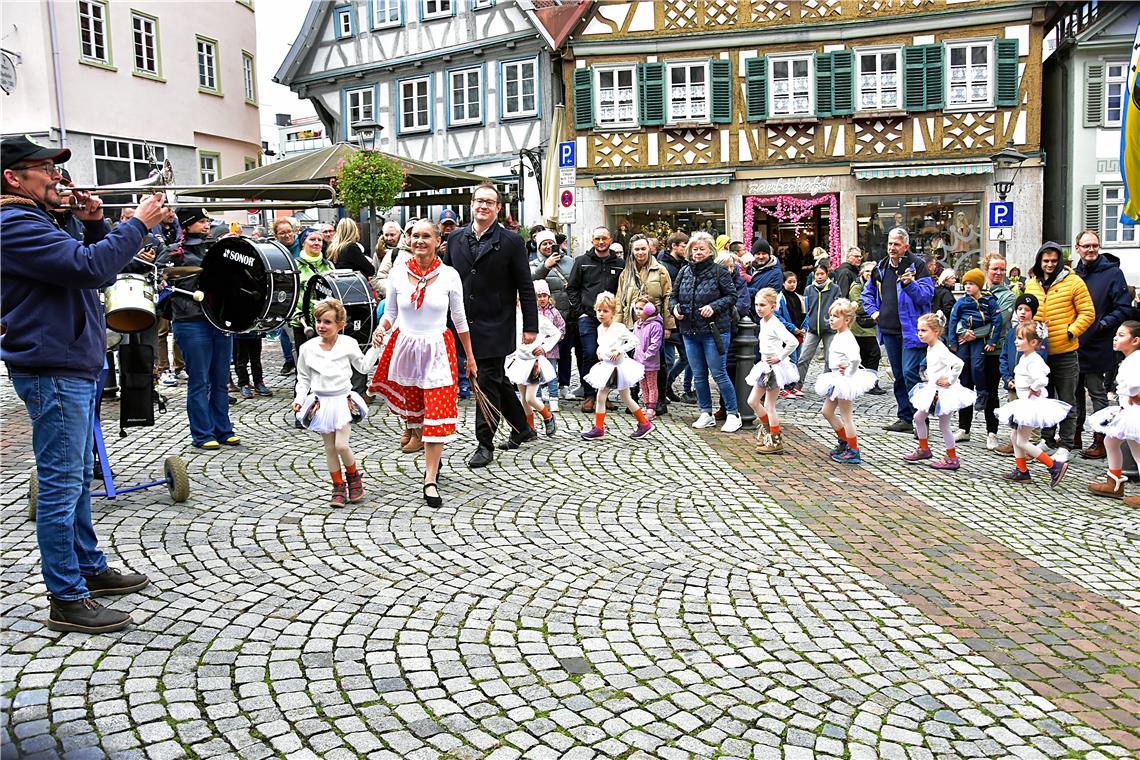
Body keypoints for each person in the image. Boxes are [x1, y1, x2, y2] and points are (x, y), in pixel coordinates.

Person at [1, 135, 163, 633]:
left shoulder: (38, 219)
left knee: (73, 480)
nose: (57, 177)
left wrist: (93, 223)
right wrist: (135, 223)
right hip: (53, 367)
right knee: (61, 484)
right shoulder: (12, 224)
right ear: (13, 177)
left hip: (69, 361)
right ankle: (66, 597)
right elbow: (88, 267)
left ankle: (89, 569)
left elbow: (88, 272)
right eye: (46, 169)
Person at [370, 220, 477, 506]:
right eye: (414, 235)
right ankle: (426, 451)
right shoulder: (397, 274)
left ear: (438, 240)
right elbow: (391, 312)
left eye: (426, 236)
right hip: (407, 349)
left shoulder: (449, 275)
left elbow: (459, 319)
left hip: (438, 350)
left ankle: (429, 479)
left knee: (436, 418)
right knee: (417, 414)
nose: (419, 241)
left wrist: (470, 356)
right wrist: (382, 327)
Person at [447, 183, 538, 467]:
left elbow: (525, 285)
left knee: (485, 383)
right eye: (479, 201)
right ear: (471, 205)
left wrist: (531, 326)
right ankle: (523, 428)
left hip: (496, 323)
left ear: (498, 208)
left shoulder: (511, 241)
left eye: (490, 202)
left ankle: (484, 443)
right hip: (463, 322)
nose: (483, 206)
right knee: (496, 380)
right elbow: (447, 279)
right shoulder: (455, 239)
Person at [160, 208, 240, 450]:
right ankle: (202, 434)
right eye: (201, 222)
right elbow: (159, 280)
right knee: (200, 381)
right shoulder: (174, 253)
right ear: (187, 225)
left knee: (219, 380)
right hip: (191, 321)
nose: (207, 226)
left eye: (207, 221)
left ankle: (223, 429)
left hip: (218, 320)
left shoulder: (217, 249)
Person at [293, 299, 378, 506]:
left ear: (340, 325)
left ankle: (354, 476)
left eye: (327, 322)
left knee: (341, 445)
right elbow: (303, 378)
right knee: (330, 448)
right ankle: (338, 486)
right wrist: (299, 398)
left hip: (342, 401)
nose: (321, 326)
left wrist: (376, 347)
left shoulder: (348, 344)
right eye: (318, 321)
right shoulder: (307, 348)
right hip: (321, 402)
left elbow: (364, 366)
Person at [1023, 241, 1095, 461]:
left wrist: (1071, 331)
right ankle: (1047, 437)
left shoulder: (1074, 282)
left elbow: (1088, 313)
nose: (1050, 264)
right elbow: (1028, 311)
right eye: (1046, 261)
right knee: (1044, 397)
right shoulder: (1032, 283)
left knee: (1066, 399)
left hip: (1064, 351)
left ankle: (1066, 442)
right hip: (1041, 352)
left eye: (1054, 261)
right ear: (1039, 261)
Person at [861, 227, 934, 433]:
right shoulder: (881, 267)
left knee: (910, 372)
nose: (892, 248)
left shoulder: (917, 266)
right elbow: (867, 294)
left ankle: (921, 420)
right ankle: (905, 417)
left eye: (897, 244)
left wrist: (910, 284)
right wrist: (874, 312)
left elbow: (926, 296)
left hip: (912, 330)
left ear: (906, 247)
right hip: (889, 330)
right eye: (890, 244)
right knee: (899, 375)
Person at [672, 231, 742, 432]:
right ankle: (705, 412)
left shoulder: (719, 272)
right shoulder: (684, 272)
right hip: (690, 331)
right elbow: (673, 296)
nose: (698, 252)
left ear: (710, 250)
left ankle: (732, 413)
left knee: (718, 372)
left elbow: (731, 296)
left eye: (702, 249)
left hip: (714, 330)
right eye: (695, 249)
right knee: (699, 375)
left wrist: (714, 306)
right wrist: (674, 308)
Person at [1074, 230, 1132, 460]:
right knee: (1073, 391)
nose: (1091, 250)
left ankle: (1100, 439)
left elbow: (1124, 307)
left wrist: (1104, 323)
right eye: (1086, 246)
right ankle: (1074, 434)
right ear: (1078, 248)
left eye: (1094, 246)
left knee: (1096, 392)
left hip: (1098, 341)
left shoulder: (1113, 273)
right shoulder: (1073, 273)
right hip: (1075, 339)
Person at [996, 322, 1072, 487]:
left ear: (1033, 343)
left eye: (1020, 338)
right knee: (1014, 436)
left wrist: (1034, 387)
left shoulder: (1034, 360)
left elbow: (1043, 378)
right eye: (1016, 338)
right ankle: (1022, 470)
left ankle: (1054, 465)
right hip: (1024, 403)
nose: (1016, 341)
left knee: (1022, 441)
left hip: (1031, 406)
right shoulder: (1025, 357)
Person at [905, 313, 977, 471]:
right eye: (919, 330)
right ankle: (924, 449)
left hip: (942, 392)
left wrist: (949, 380)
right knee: (918, 417)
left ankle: (952, 458)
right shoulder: (931, 347)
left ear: (936, 331)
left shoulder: (939, 349)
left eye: (924, 330)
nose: (920, 334)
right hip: (933, 389)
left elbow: (958, 363)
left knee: (943, 425)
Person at [566, 226, 625, 413]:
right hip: (588, 317)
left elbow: (624, 290)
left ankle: (604, 394)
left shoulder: (619, 263)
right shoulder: (582, 261)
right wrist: (581, 310)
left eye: (604, 239)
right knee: (590, 353)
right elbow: (572, 288)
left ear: (610, 240)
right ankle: (589, 395)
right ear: (592, 240)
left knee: (609, 356)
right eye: (597, 238)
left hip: (611, 319)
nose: (601, 242)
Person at [616, 234, 675, 415]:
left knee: (658, 363)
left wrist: (667, 325)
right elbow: (620, 300)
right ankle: (633, 399)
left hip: (653, 325)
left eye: (643, 248)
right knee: (633, 361)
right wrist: (618, 325)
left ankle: (658, 401)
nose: (640, 252)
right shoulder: (626, 273)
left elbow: (667, 298)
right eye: (637, 249)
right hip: (632, 324)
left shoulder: (661, 270)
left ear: (649, 249)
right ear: (632, 252)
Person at [581, 292, 652, 439]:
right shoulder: (600, 328)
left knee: (606, 395)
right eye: (599, 310)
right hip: (607, 365)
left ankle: (600, 428)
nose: (601, 314)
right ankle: (643, 423)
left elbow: (634, 341)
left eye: (605, 311)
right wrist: (599, 351)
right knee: (617, 396)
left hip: (618, 367)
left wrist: (620, 350)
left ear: (612, 312)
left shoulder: (618, 328)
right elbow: (601, 344)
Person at [814, 299, 877, 464]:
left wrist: (849, 372)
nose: (832, 319)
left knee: (846, 416)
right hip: (836, 378)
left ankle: (853, 449)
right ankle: (844, 442)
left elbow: (856, 358)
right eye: (831, 316)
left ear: (847, 320)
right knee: (826, 412)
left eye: (836, 316)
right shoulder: (839, 335)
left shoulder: (847, 337)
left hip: (843, 381)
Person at [1087, 321, 1140, 504]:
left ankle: (1115, 482)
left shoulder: (1135, 360)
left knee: (1137, 451)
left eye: (1122, 335)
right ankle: (1114, 481)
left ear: (1135, 340)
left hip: (1134, 412)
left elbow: (1134, 383)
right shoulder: (1128, 359)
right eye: (1116, 334)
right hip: (1127, 409)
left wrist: (1134, 394)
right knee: (1111, 441)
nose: (1116, 338)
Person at [746, 288, 799, 454]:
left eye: (762, 305)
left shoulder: (776, 323)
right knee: (753, 401)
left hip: (774, 368)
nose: (758, 308)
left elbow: (792, 342)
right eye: (756, 305)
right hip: (765, 365)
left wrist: (780, 357)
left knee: (769, 405)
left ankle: (775, 439)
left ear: (773, 306)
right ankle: (769, 430)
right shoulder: (763, 321)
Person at [995, 294, 1050, 455]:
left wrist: (1032, 384)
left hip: (1029, 386)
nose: (1022, 312)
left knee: (1029, 419)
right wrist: (1007, 378)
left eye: (1027, 309)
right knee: (1016, 417)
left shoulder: (1036, 334)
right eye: (1019, 309)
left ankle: (1031, 444)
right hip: (1014, 382)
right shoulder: (1012, 332)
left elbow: (1041, 361)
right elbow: (1004, 356)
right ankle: (1016, 445)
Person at [503, 293, 562, 439]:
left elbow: (556, 333)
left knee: (530, 397)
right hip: (520, 362)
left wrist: (545, 347)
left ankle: (548, 417)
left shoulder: (540, 320)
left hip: (534, 362)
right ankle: (531, 429)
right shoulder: (513, 320)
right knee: (523, 398)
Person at [948, 268, 1000, 425]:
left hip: (979, 341)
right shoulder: (962, 302)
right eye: (965, 284)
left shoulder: (989, 301)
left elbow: (997, 321)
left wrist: (992, 341)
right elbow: (953, 320)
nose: (967, 287)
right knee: (963, 367)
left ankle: (982, 392)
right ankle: (963, 396)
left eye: (971, 284)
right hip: (963, 341)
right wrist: (953, 342)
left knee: (978, 366)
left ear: (979, 285)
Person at [531, 230, 574, 407]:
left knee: (565, 352)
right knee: (544, 354)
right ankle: (542, 387)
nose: (548, 246)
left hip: (567, 313)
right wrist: (545, 266)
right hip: (544, 316)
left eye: (550, 243)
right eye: (544, 244)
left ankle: (563, 384)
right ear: (539, 247)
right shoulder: (534, 263)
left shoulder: (569, 261)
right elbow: (529, 281)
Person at [659, 232, 693, 404]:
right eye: (683, 245)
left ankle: (667, 384)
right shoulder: (663, 265)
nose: (686, 248)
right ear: (674, 246)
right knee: (669, 360)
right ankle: (661, 389)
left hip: (684, 318)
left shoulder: (687, 264)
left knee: (688, 358)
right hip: (669, 318)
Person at [797, 261, 839, 392]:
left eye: (822, 274)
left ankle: (826, 386)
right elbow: (805, 309)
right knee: (803, 358)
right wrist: (805, 324)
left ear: (827, 275)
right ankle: (797, 385)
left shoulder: (834, 288)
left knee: (829, 359)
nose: (819, 277)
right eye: (817, 274)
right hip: (812, 329)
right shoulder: (809, 289)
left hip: (830, 329)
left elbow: (838, 307)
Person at [850, 262, 885, 395]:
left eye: (872, 271)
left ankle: (867, 383)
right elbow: (858, 307)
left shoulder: (877, 285)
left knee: (865, 356)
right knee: (874, 354)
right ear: (861, 273)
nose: (870, 274)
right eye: (867, 271)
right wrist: (875, 307)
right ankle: (871, 383)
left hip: (871, 325)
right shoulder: (856, 287)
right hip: (861, 327)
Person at [272, 219, 302, 374]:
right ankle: (289, 360)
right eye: (282, 233)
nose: (286, 235)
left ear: (294, 231)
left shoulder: (302, 243)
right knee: (284, 327)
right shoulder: (275, 249)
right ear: (276, 235)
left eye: (289, 231)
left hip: (301, 289)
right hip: (285, 290)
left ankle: (301, 361)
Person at [532, 279, 566, 411]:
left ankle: (553, 398)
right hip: (536, 349)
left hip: (551, 349)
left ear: (549, 297)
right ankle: (537, 397)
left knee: (551, 373)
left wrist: (554, 340)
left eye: (544, 296)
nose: (542, 299)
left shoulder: (554, 312)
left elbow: (561, 327)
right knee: (536, 373)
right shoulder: (533, 312)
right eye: (539, 296)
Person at [632, 297, 664, 422]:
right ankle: (646, 406)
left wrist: (646, 356)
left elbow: (655, 344)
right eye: (637, 308)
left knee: (651, 385)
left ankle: (652, 408)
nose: (638, 311)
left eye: (641, 309)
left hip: (650, 362)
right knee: (643, 385)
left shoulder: (656, 325)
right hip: (639, 361)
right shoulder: (637, 324)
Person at [778, 270, 806, 398]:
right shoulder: (780, 298)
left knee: (796, 360)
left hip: (798, 334)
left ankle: (793, 385)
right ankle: (785, 386)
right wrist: (792, 328)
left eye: (794, 282)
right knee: (790, 359)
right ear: (783, 283)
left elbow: (806, 314)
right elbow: (778, 316)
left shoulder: (800, 298)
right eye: (789, 282)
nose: (792, 284)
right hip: (788, 334)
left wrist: (804, 328)